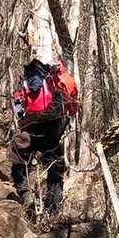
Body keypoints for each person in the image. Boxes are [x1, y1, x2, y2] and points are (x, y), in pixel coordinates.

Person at [9, 57, 79, 217]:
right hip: (53, 129)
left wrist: (22, 124)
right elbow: (72, 105)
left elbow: (18, 107)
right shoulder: (60, 79)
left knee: (18, 161)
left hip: (30, 129)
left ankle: (26, 198)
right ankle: (53, 209)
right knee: (55, 164)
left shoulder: (25, 79)